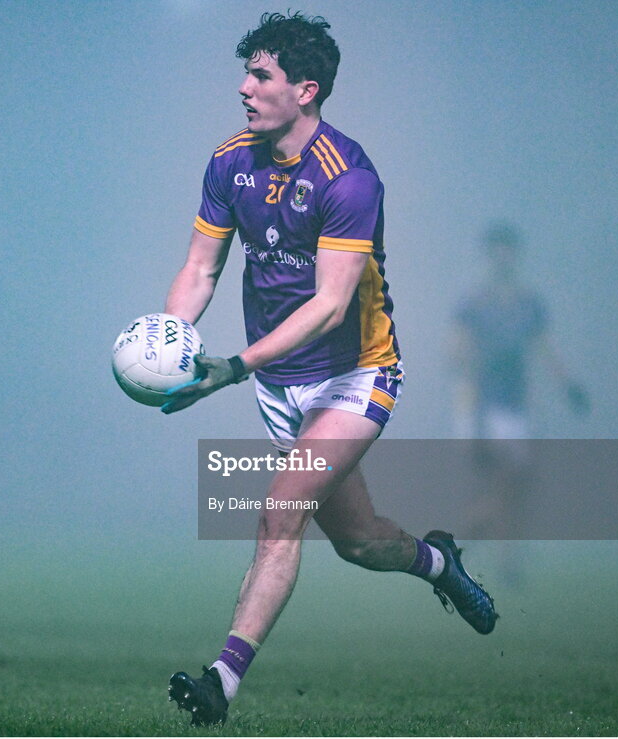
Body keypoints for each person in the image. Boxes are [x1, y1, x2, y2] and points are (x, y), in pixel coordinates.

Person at [159, 12, 497, 726]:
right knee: (360, 539)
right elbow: (199, 267)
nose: (244, 87)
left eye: (261, 75)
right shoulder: (229, 163)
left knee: (279, 513)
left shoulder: (349, 179)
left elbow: (329, 304)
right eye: (246, 72)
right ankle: (440, 563)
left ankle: (221, 679)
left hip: (356, 374)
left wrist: (231, 367)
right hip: (285, 386)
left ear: (306, 89)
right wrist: (170, 342)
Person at [450, 222, 589, 584]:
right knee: (505, 482)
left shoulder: (529, 303)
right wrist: (471, 400)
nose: (503, 255)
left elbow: (545, 348)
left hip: (517, 407)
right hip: (483, 406)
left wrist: (568, 385)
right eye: (497, 248)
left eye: (508, 248)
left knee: (516, 487)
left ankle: (494, 559)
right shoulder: (474, 302)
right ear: (488, 254)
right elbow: (457, 354)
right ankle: (461, 551)